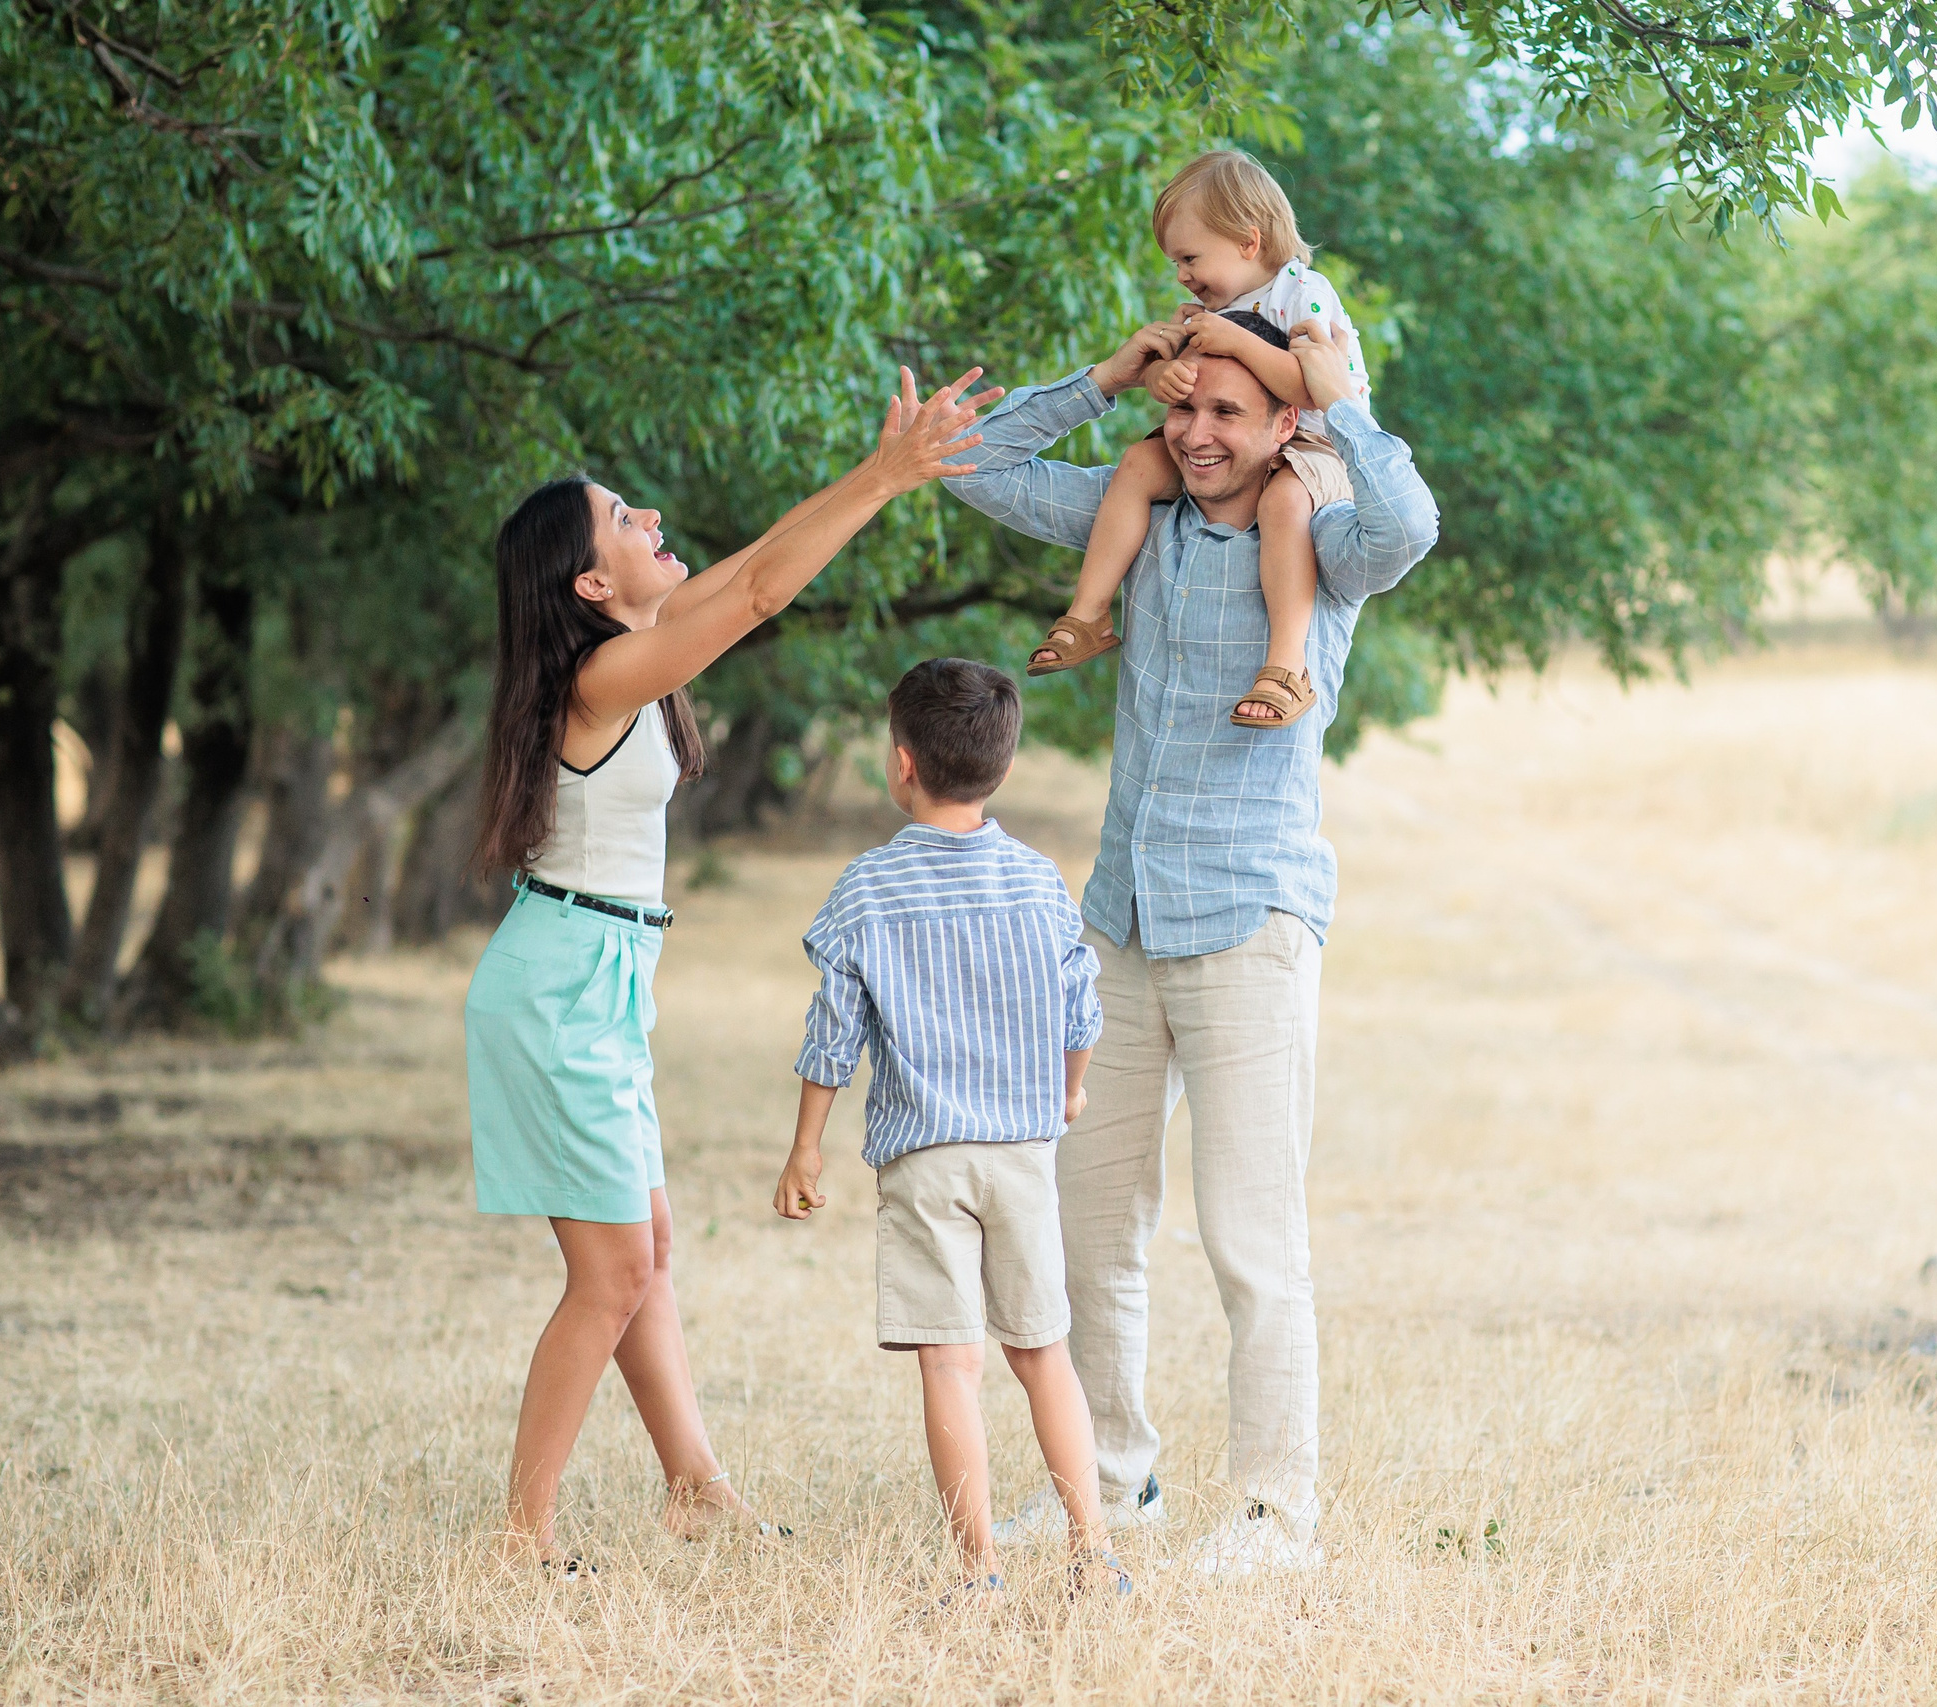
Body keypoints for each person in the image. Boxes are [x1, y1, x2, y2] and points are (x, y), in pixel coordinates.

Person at [465, 368, 997, 1572]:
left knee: (643, 1255)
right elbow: (759, 589)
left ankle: (694, 1484)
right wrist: (885, 474)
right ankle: (519, 1536)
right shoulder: (601, 681)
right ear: (589, 586)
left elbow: (752, 565)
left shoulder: (633, 652)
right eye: (624, 521)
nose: (650, 519)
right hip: (561, 990)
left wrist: (871, 480)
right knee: (609, 1277)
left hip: (594, 979)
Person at [944, 310, 1439, 1573]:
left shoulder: (1325, 541)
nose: (1198, 433)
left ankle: (1277, 1517)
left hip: (1249, 922)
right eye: (1182, 410)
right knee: (1088, 1224)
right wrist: (1105, 378)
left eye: (1230, 412)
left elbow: (1411, 526)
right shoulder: (1139, 516)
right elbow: (976, 461)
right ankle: (1110, 1483)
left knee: (1251, 1242)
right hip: (1119, 923)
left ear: (1282, 425)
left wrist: (1340, 402)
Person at [771, 659, 1128, 1604]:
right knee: (1043, 1351)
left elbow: (831, 1034)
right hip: (1021, 1150)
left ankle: (979, 1571)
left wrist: (808, 1145)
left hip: (925, 1158)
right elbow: (1081, 1008)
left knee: (951, 1364)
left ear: (901, 764)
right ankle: (1093, 1552)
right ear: (1000, 768)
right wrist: (1069, 1093)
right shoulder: (1037, 880)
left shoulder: (867, 887)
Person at [1024, 150, 1374, 732]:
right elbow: (1179, 383)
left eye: (1189, 257)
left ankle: (1287, 666)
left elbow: (1312, 391)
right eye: (1175, 262)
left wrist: (1237, 344)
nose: (1182, 275)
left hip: (1316, 448)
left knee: (1284, 503)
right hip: (1243, 445)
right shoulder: (1217, 307)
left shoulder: (1303, 292)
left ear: (1247, 240)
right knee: (1138, 460)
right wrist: (1165, 375)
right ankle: (1087, 616)